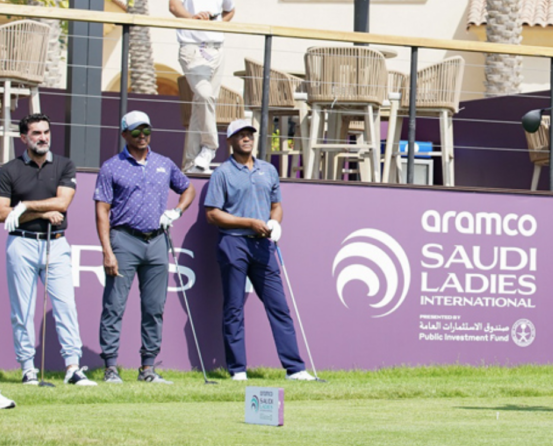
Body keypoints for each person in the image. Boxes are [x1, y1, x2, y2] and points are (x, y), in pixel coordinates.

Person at [204, 119, 316, 382]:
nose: (246, 138)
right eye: (240, 135)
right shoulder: (222, 173)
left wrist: (275, 222)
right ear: (230, 141)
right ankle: (238, 370)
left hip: (263, 245)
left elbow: (276, 204)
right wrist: (248, 222)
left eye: (249, 134)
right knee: (233, 308)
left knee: (279, 306)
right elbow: (212, 214)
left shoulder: (268, 170)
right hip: (234, 243)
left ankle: (295, 369)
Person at [94, 111, 196, 384]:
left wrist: (176, 211)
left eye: (146, 131)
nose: (142, 137)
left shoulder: (164, 163)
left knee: (154, 307)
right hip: (124, 239)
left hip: (157, 241)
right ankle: (111, 368)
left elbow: (188, 189)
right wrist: (107, 251)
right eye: (136, 132)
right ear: (124, 134)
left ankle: (148, 368)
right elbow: (102, 210)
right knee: (114, 305)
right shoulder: (111, 167)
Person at [0, 113, 96, 387]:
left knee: (66, 306)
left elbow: (62, 203)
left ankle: (73, 368)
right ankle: (28, 369)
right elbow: (2, 213)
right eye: (36, 134)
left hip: (56, 243)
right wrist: (39, 211)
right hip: (21, 243)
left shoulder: (65, 165)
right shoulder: (8, 170)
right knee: (23, 310)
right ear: (23, 138)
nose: (43, 138)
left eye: (46, 132)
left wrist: (25, 206)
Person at [169, 0, 235, 174]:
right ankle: (210, 147)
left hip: (217, 50)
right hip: (192, 49)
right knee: (205, 97)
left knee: (202, 104)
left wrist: (219, 25)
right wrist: (192, 19)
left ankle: (191, 164)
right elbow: (174, 5)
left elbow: (230, 10)